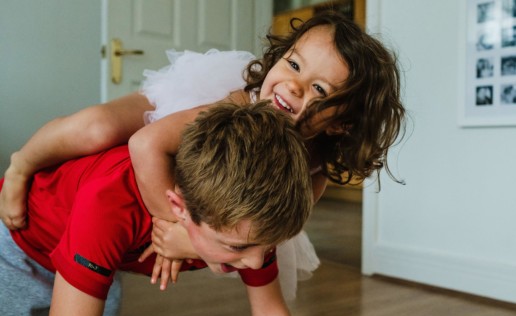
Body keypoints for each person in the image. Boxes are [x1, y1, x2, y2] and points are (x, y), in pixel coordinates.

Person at [0, 11, 405, 294]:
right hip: (174, 112)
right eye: (293, 64)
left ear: (341, 124)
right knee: (97, 128)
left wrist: (200, 245)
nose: (295, 86)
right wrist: (171, 229)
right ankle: (23, 163)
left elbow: (281, 224)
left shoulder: (314, 166)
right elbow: (147, 144)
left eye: (320, 90)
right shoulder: (230, 106)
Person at [0, 102, 313, 316]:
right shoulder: (108, 205)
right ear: (177, 208)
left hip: (94, 257)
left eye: (268, 247)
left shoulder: (254, 228)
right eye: (238, 247)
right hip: (19, 245)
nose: (257, 261)